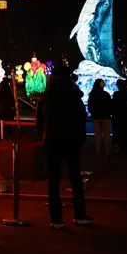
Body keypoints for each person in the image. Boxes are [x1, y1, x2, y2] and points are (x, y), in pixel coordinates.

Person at [35, 66, 93, 230]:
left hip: (51, 141)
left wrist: (44, 137)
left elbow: (38, 120)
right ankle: (80, 215)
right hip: (71, 142)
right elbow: (81, 119)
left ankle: (56, 219)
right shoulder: (74, 96)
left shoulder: (46, 96)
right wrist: (80, 139)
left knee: (53, 181)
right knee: (75, 178)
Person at [87, 79, 112, 156]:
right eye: (102, 82)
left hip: (96, 117)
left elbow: (90, 106)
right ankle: (107, 152)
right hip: (106, 117)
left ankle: (98, 152)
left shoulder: (92, 94)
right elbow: (110, 105)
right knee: (107, 135)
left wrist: (93, 113)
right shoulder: (106, 94)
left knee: (98, 136)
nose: (104, 83)